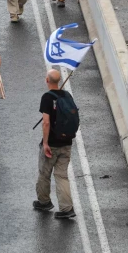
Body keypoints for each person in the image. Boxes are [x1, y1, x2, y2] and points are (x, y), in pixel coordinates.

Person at [33, 69, 76, 219]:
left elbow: (46, 122)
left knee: (45, 173)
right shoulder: (67, 95)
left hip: (52, 143)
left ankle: (44, 202)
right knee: (62, 175)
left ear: (47, 80)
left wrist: (45, 143)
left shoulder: (47, 97)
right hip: (67, 142)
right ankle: (67, 208)